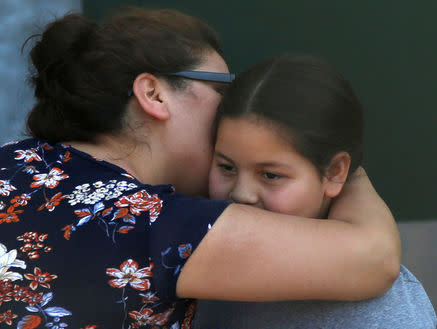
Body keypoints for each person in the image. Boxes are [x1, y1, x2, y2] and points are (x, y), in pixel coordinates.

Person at [0, 9, 400, 329]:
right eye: (222, 89)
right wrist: (343, 166)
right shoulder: (158, 223)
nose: (230, 108)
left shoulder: (10, 158)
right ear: (154, 94)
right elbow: (374, 258)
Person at [193, 55, 437, 328]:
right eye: (226, 167)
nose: (241, 193)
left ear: (335, 172)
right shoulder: (194, 257)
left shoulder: (381, 313)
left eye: (271, 175)